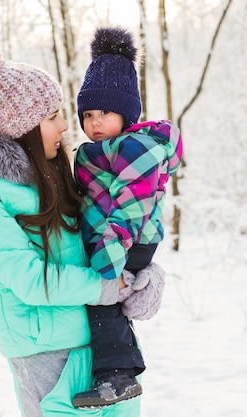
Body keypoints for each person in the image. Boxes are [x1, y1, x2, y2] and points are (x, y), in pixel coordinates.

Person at [0, 46, 166, 417]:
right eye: (53, 116)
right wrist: (107, 288)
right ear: (21, 125)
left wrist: (143, 276)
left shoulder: (55, 168)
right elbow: (26, 278)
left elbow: (103, 232)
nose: (67, 126)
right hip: (49, 360)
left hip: (107, 353)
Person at [71, 27, 183, 408]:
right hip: (112, 234)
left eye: (104, 112)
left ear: (127, 112)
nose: (94, 122)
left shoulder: (138, 148)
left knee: (102, 298)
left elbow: (130, 209)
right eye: (87, 114)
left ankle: (118, 376)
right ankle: (117, 368)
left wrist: (109, 265)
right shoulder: (97, 151)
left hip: (128, 236)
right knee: (105, 299)